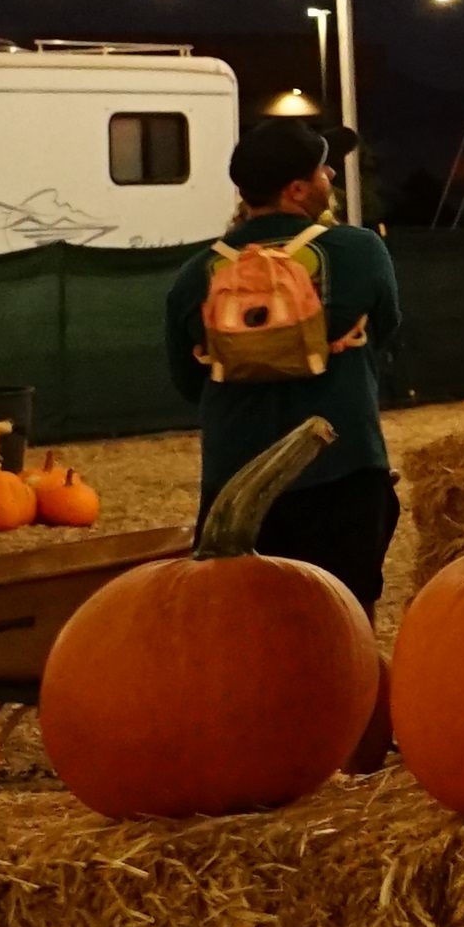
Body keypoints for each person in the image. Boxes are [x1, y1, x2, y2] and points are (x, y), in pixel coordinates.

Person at [159, 114, 406, 610]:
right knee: (343, 621)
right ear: (297, 190)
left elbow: (188, 383)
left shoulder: (194, 275)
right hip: (341, 467)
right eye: (323, 170)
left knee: (245, 626)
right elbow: (387, 330)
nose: (331, 176)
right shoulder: (360, 251)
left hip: (234, 481)